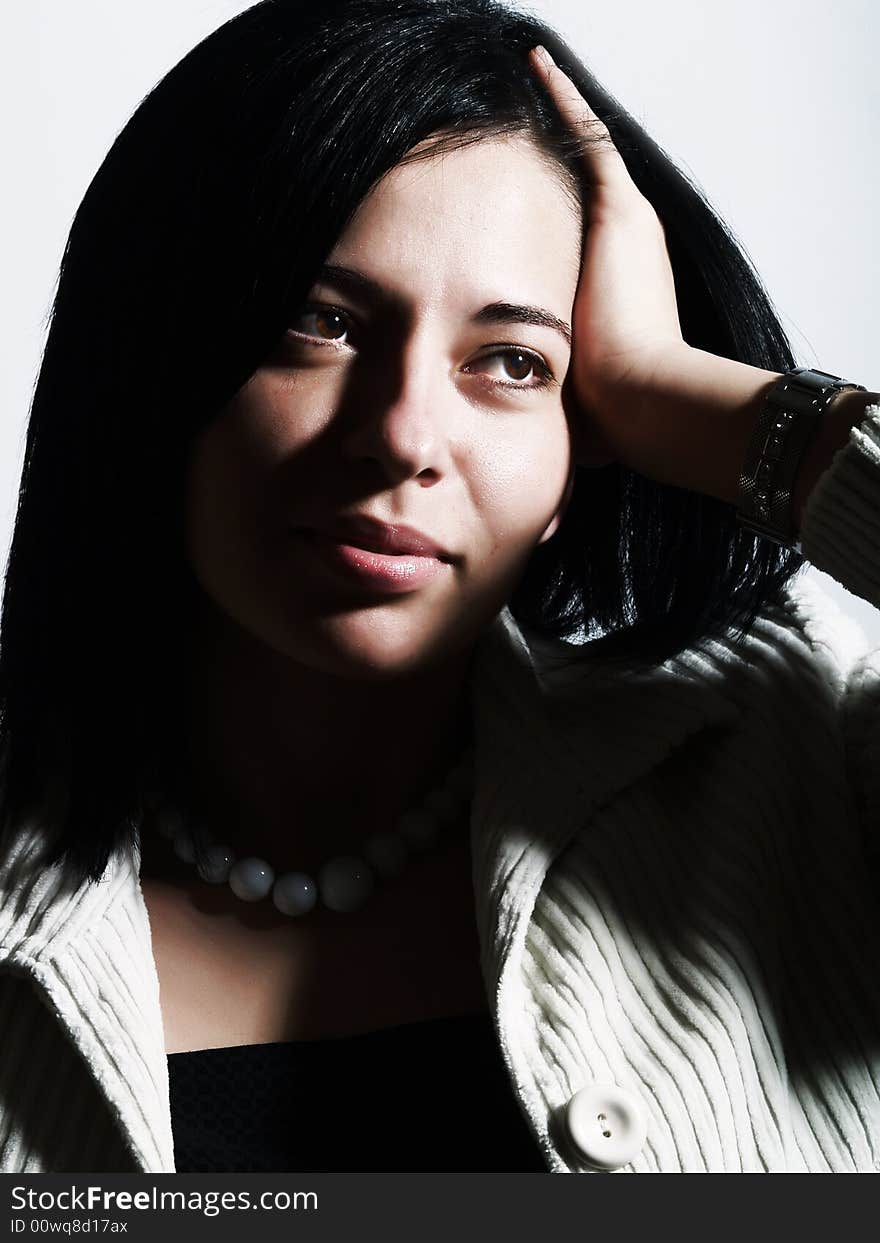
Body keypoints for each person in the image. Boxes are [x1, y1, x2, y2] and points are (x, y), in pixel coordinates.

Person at [1, 0, 878, 1175]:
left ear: (586, 440)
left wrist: (709, 411)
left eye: (513, 363)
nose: (405, 433)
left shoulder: (796, 752)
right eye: (320, 323)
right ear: (154, 366)